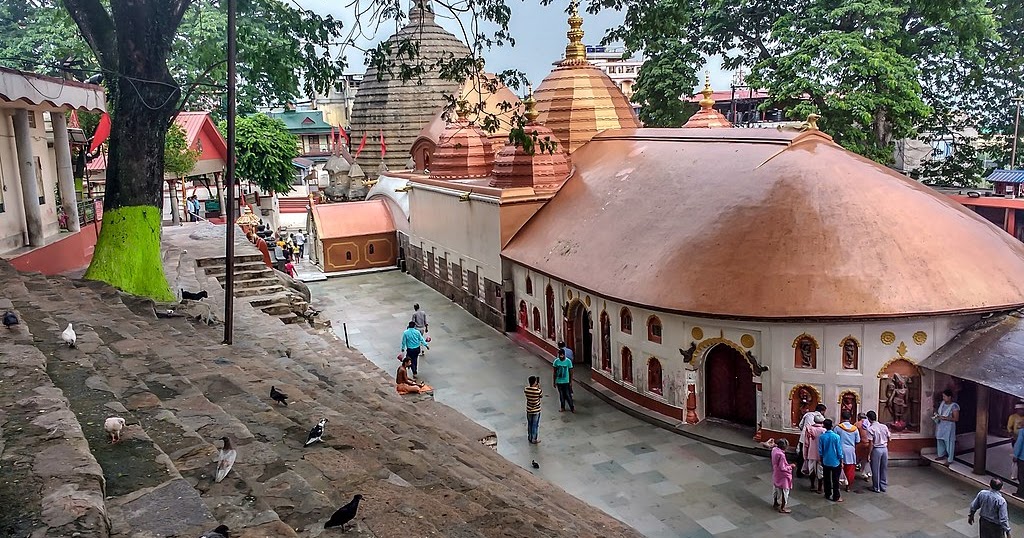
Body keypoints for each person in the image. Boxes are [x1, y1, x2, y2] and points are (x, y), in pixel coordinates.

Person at [797, 403, 827, 478]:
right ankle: (814, 473)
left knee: (802, 455)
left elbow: (800, 425)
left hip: (803, 437)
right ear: (822, 411)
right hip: (814, 439)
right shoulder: (821, 418)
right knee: (813, 457)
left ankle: (800, 472)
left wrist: (804, 430)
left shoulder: (807, 414)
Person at [818, 418, 844, 502]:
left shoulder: (822, 437)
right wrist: (841, 460)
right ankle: (836, 496)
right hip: (835, 461)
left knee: (826, 478)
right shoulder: (836, 437)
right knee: (835, 479)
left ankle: (827, 493)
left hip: (825, 460)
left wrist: (821, 458)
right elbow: (839, 450)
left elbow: (820, 450)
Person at [934, 388, 961, 466]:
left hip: (949, 427)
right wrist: (937, 416)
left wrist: (945, 418)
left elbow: (956, 419)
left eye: (945, 396)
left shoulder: (954, 406)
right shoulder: (942, 403)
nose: (943, 398)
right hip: (941, 425)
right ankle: (941, 455)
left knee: (949, 442)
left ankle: (950, 459)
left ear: (949, 397)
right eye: (943, 396)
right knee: (940, 440)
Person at [836, 411, 861, 492]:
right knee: (850, 469)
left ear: (842, 418)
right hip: (851, 450)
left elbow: (835, 439)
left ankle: (838, 484)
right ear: (850, 418)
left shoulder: (838, 428)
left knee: (839, 468)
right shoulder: (855, 429)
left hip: (840, 449)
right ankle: (848, 486)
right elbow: (858, 440)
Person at [866, 410, 891, 493]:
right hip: (884, 448)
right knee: (884, 468)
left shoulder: (870, 429)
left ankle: (876, 487)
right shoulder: (884, 426)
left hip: (876, 449)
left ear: (869, 419)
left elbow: (871, 443)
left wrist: (869, 454)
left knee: (875, 468)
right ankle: (883, 485)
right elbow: (889, 438)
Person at [802, 414, 826, 492]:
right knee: (820, 471)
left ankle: (812, 485)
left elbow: (806, 443)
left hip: (811, 452)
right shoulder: (824, 430)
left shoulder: (809, 429)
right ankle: (820, 487)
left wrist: (805, 454)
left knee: (811, 470)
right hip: (821, 454)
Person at [771, 438, 795, 514]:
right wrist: (791, 466)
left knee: (776, 488)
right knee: (785, 490)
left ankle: (775, 503)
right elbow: (783, 467)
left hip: (776, 472)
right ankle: (783, 507)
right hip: (783, 475)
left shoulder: (774, 450)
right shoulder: (781, 455)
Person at [552, 349, 574, 413]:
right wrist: (554, 381)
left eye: (562, 355)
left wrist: (570, 381)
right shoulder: (556, 362)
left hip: (566, 381)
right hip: (559, 381)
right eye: (560, 355)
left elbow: (571, 372)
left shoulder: (568, 361)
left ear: (564, 354)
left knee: (568, 395)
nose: (561, 356)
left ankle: (572, 407)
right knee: (561, 395)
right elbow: (554, 372)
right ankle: (562, 407)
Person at [525, 376, 543, 444]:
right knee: (535, 424)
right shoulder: (538, 391)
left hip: (529, 409)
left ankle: (529, 437)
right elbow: (541, 396)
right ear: (535, 382)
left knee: (530, 424)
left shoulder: (526, 389)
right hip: (536, 410)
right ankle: (534, 439)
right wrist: (538, 387)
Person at [856, 412, 873, 481]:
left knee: (860, 458)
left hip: (861, 444)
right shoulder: (870, 423)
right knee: (867, 460)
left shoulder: (857, 424)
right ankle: (868, 474)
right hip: (869, 444)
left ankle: (862, 471)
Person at [1013, 427, 1024, 497]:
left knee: (1021, 476)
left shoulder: (1022, 431)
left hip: (1022, 457)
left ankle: (1020, 493)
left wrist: (1015, 455)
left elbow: (1019, 443)